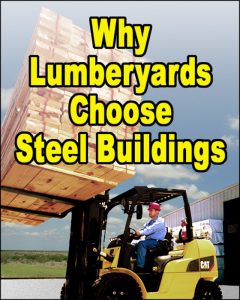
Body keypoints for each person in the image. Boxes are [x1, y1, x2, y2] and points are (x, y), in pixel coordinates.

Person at [135, 202, 166, 272]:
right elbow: (144, 229)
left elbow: (151, 229)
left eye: (151, 210)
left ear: (157, 211)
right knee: (134, 246)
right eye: (149, 210)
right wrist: (137, 233)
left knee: (142, 243)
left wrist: (140, 232)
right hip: (150, 242)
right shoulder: (150, 222)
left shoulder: (160, 221)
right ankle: (143, 263)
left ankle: (140, 268)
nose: (149, 212)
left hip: (156, 242)